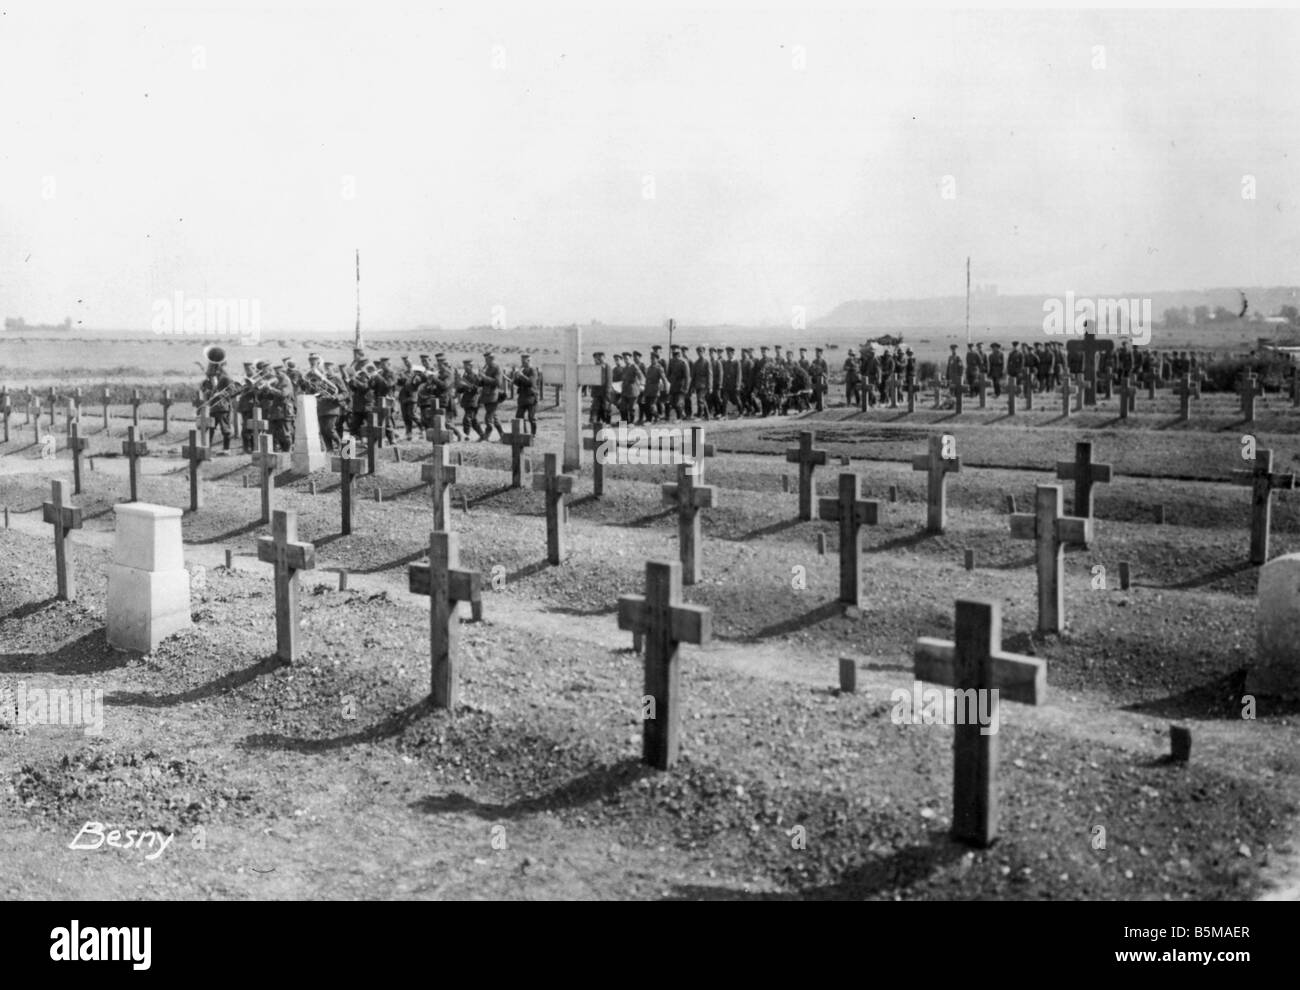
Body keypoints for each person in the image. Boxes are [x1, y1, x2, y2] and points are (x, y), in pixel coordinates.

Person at [479, 352, 506, 440]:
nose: (485, 361)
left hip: (493, 396)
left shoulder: (497, 368)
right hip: (487, 396)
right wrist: (480, 378)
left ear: (491, 359)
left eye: (487, 359)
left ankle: (486, 436)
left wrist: (484, 377)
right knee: (494, 416)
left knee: (488, 417)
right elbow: (484, 382)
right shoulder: (488, 368)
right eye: (485, 359)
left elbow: (497, 382)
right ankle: (502, 435)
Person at [512, 353, 540, 435]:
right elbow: (519, 384)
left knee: (531, 417)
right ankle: (523, 433)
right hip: (522, 397)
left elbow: (530, 382)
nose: (522, 363)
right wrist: (515, 378)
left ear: (529, 361)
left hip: (531, 397)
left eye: (524, 361)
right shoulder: (523, 370)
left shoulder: (533, 370)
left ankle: (533, 434)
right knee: (519, 417)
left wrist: (521, 375)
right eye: (522, 361)